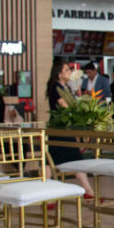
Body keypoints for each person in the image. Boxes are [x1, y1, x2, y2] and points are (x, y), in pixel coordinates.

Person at [46, 61, 95, 199]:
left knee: (55, 161)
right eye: (67, 70)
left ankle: (88, 191)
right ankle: (88, 191)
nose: (70, 72)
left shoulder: (65, 87)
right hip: (59, 129)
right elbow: (65, 106)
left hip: (64, 128)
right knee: (53, 161)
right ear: (59, 73)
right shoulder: (57, 87)